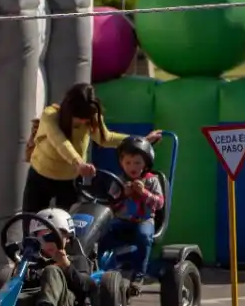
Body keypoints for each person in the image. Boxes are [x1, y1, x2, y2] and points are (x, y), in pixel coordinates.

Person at [24, 82, 162, 213]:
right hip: (41, 176)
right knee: (31, 220)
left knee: (67, 224)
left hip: (69, 181)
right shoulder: (50, 116)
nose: (83, 122)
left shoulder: (91, 118)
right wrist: (79, 163)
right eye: (79, 119)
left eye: (86, 119)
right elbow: (61, 142)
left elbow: (106, 139)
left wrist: (140, 141)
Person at [14, 208, 96, 306]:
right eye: (42, 237)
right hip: (34, 300)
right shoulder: (32, 261)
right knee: (11, 291)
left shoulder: (76, 259)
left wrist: (66, 266)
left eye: (53, 236)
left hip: (64, 305)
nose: (48, 242)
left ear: (68, 237)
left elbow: (87, 286)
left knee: (51, 270)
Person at [102, 136, 165, 296]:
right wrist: (123, 194)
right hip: (121, 220)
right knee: (102, 234)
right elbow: (110, 203)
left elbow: (159, 203)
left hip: (144, 220)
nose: (132, 167)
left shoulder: (152, 180)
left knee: (144, 236)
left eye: (137, 163)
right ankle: (101, 269)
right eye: (128, 163)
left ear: (145, 163)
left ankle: (139, 275)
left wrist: (144, 193)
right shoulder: (119, 180)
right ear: (122, 163)